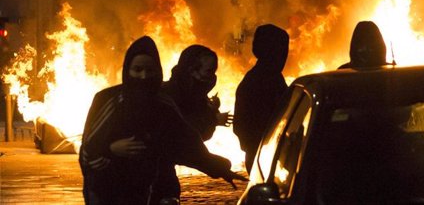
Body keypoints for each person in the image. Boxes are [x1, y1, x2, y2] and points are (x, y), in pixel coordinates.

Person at [79, 36, 242, 205]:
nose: (144, 76)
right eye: (138, 69)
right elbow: (88, 152)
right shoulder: (109, 100)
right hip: (108, 190)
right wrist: (111, 150)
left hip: (146, 188)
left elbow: (185, 143)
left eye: (150, 70)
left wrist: (217, 167)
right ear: (128, 70)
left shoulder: (163, 104)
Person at [151, 45, 232, 204]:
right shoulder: (169, 96)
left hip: (163, 174)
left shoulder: (194, 95)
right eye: (208, 70)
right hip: (151, 176)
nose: (211, 76)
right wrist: (213, 120)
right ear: (192, 70)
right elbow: (182, 137)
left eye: (214, 71)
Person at [234, 24, 289, 172]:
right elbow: (242, 125)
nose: (284, 56)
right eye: (281, 50)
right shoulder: (259, 82)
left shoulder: (272, 78)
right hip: (264, 155)